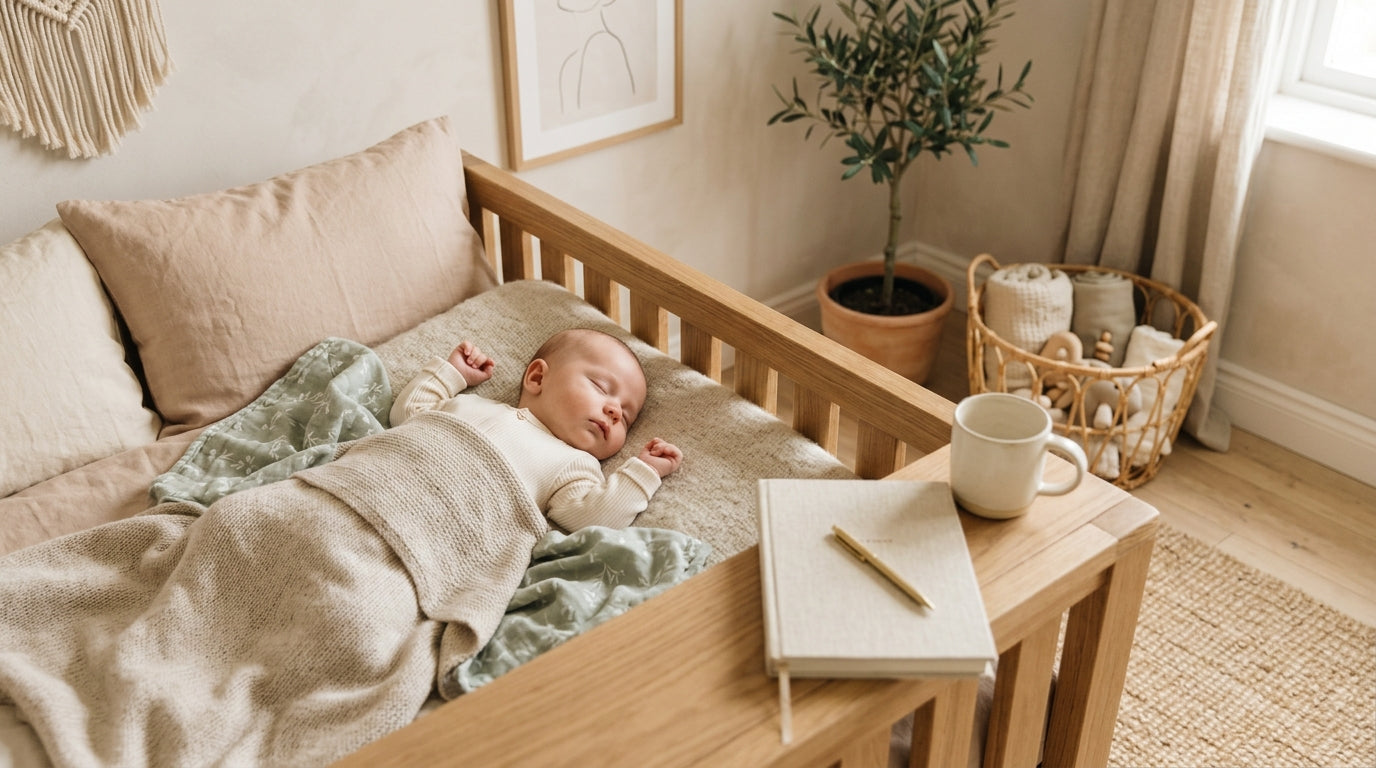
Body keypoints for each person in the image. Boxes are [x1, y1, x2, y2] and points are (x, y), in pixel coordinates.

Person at [391, 327, 683, 531]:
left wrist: (644, 472)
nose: (614, 411)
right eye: (601, 387)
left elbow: (595, 517)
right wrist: (453, 373)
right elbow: (408, 414)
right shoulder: (473, 405)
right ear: (538, 377)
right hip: (391, 480)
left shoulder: (574, 465)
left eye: (626, 418)